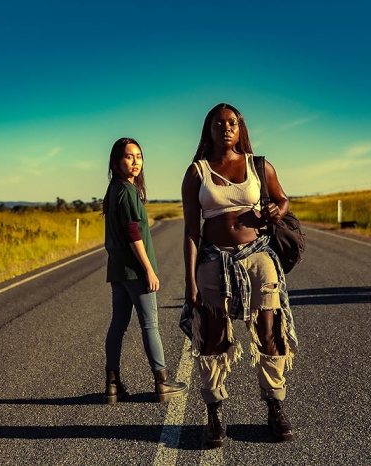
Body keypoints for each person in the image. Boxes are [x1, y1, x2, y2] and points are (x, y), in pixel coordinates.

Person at [181, 104, 299, 447]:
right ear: (209, 130)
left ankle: (275, 406)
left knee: (269, 331)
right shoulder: (197, 172)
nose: (226, 128)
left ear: (240, 128)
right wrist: (190, 281)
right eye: (219, 123)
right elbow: (191, 231)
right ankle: (214, 413)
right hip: (213, 260)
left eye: (232, 122)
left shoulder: (258, 165)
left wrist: (278, 209)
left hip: (258, 257)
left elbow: (283, 199)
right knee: (213, 337)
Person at [102, 137, 188, 405]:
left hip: (118, 271)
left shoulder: (114, 189)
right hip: (135, 272)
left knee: (118, 325)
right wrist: (149, 269)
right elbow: (133, 234)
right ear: (116, 162)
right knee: (149, 324)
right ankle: (162, 381)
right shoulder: (127, 191)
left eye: (139, 156)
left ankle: (112, 385)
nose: (135, 161)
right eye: (129, 157)